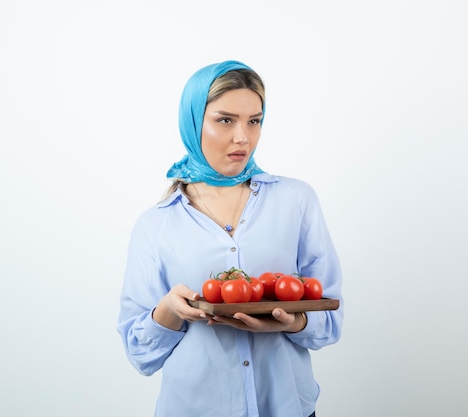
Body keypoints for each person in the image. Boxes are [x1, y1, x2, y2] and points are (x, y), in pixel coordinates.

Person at [117, 60, 343, 417]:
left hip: (286, 407)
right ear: (194, 123)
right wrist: (169, 312)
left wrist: (293, 321)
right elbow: (141, 354)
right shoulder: (154, 225)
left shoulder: (297, 200)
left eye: (254, 121)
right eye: (225, 120)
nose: (243, 137)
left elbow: (329, 322)